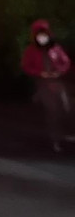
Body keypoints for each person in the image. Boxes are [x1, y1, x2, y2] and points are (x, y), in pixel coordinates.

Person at [21, 19, 73, 153]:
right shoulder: (31, 51)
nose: (42, 37)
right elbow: (26, 66)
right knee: (53, 111)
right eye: (39, 35)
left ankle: (65, 135)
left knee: (66, 107)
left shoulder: (56, 49)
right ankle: (55, 140)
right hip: (43, 84)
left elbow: (66, 62)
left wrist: (59, 72)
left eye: (44, 34)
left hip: (57, 82)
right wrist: (40, 73)